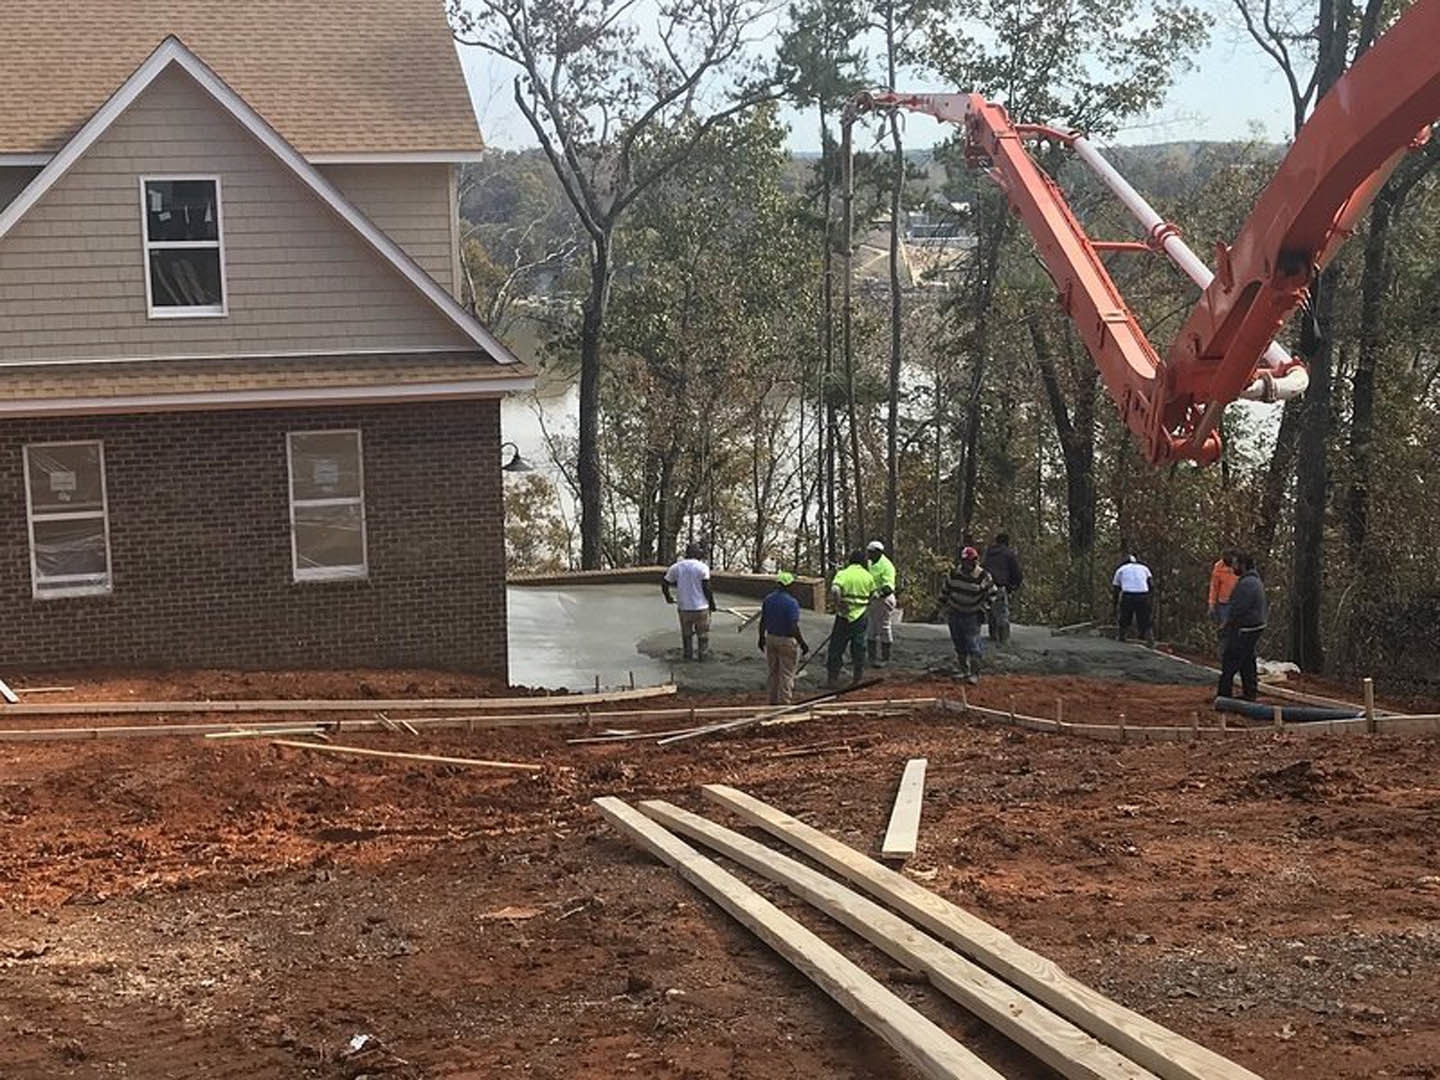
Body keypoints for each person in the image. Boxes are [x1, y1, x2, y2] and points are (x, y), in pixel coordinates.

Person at [939, 545, 997, 684]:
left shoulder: (983, 576)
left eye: (971, 561)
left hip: (972, 614)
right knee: (959, 644)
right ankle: (964, 671)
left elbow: (993, 593)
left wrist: (984, 608)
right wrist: (941, 608)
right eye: (965, 561)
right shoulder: (954, 574)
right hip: (955, 612)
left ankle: (975, 673)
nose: (968, 564)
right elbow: (945, 591)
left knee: (973, 644)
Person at [1218, 552, 1267, 701]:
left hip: (1245, 628)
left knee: (1230, 660)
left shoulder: (1247, 584)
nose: (1233, 567)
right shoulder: (1252, 581)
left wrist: (1226, 625)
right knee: (1247, 660)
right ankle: (1250, 693)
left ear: (1243, 565)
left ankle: (1223, 696)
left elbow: (1238, 609)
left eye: (1236, 564)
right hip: (1254, 626)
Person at [758, 571, 810, 704]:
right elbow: (793, 627)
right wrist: (802, 643)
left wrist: (761, 637)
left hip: (771, 638)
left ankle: (772, 701)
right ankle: (784, 703)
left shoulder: (768, 599)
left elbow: (763, 620)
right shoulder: (791, 603)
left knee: (773, 673)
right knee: (786, 674)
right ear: (789, 585)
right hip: (786, 641)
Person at [825, 549, 873, 690]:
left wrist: (839, 604)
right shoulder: (868, 576)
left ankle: (832, 679)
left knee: (836, 647)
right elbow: (874, 594)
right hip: (860, 615)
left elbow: (835, 590)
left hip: (843, 616)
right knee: (858, 647)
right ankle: (857, 678)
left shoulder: (843, 574)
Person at [662, 543, 716, 661]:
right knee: (703, 636)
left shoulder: (676, 567)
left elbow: (665, 583)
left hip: (684, 608)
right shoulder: (702, 567)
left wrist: (668, 597)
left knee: (687, 635)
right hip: (701, 608)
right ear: (697, 554)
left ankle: (688, 656)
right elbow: (707, 587)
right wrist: (712, 604)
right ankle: (703, 657)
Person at [981, 532, 1023, 644]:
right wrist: (1014, 585)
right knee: (1002, 613)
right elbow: (1016, 572)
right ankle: (1004, 640)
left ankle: (993, 636)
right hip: (1000, 586)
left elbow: (982, 567)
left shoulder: (989, 553)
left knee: (991, 612)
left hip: (987, 586)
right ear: (1007, 542)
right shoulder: (1008, 554)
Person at [864, 540, 898, 667]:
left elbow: (889, 586)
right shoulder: (870, 563)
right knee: (871, 628)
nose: (869, 555)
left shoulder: (887, 566)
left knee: (884, 627)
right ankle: (871, 658)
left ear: (878, 553)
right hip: (872, 600)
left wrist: (878, 594)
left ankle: (885, 658)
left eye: (871, 553)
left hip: (883, 599)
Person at [1111, 554, 1154, 644]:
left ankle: (1122, 636)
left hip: (1128, 595)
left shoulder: (1121, 569)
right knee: (1145, 618)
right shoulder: (1144, 568)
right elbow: (1151, 583)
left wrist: (1115, 605)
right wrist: (1149, 597)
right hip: (1143, 595)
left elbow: (1116, 588)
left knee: (1125, 616)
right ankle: (1149, 638)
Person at [1208, 549, 1239, 626]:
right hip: (1224, 603)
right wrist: (1212, 604)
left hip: (1238, 601)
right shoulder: (1219, 568)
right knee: (1226, 626)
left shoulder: (1240, 565)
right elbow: (1214, 587)